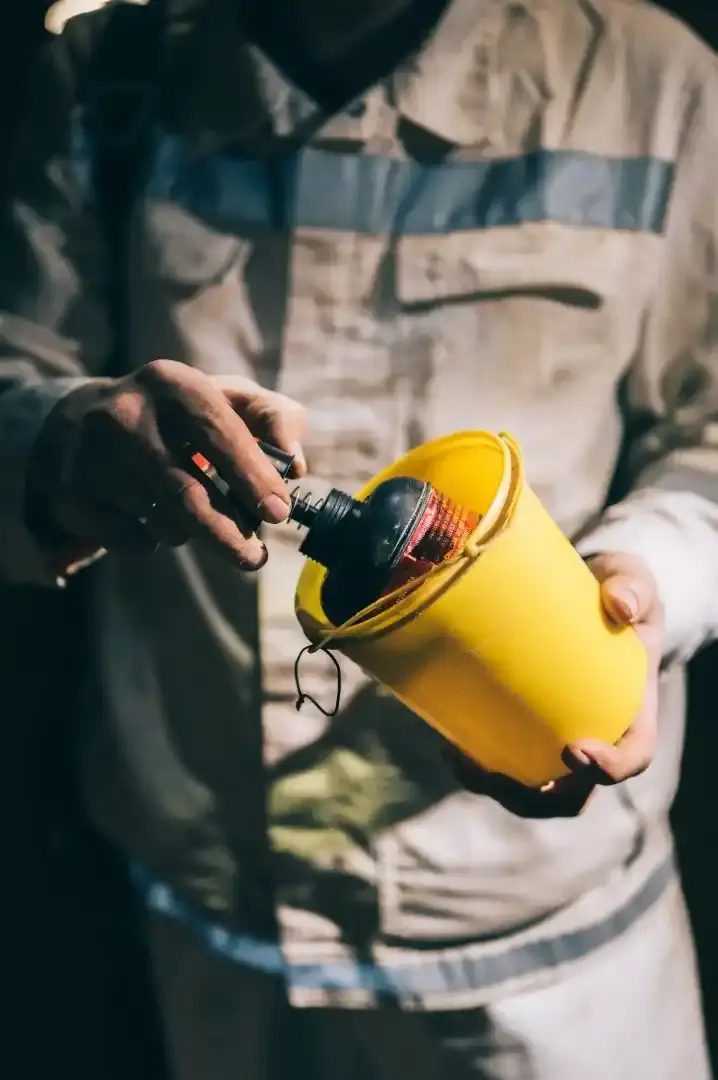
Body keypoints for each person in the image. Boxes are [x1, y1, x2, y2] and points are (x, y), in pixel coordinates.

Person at [0, 0, 716, 1076]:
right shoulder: (108, 74)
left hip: (540, 964)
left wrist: (643, 583)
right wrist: (61, 440)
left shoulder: (650, 79)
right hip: (207, 921)